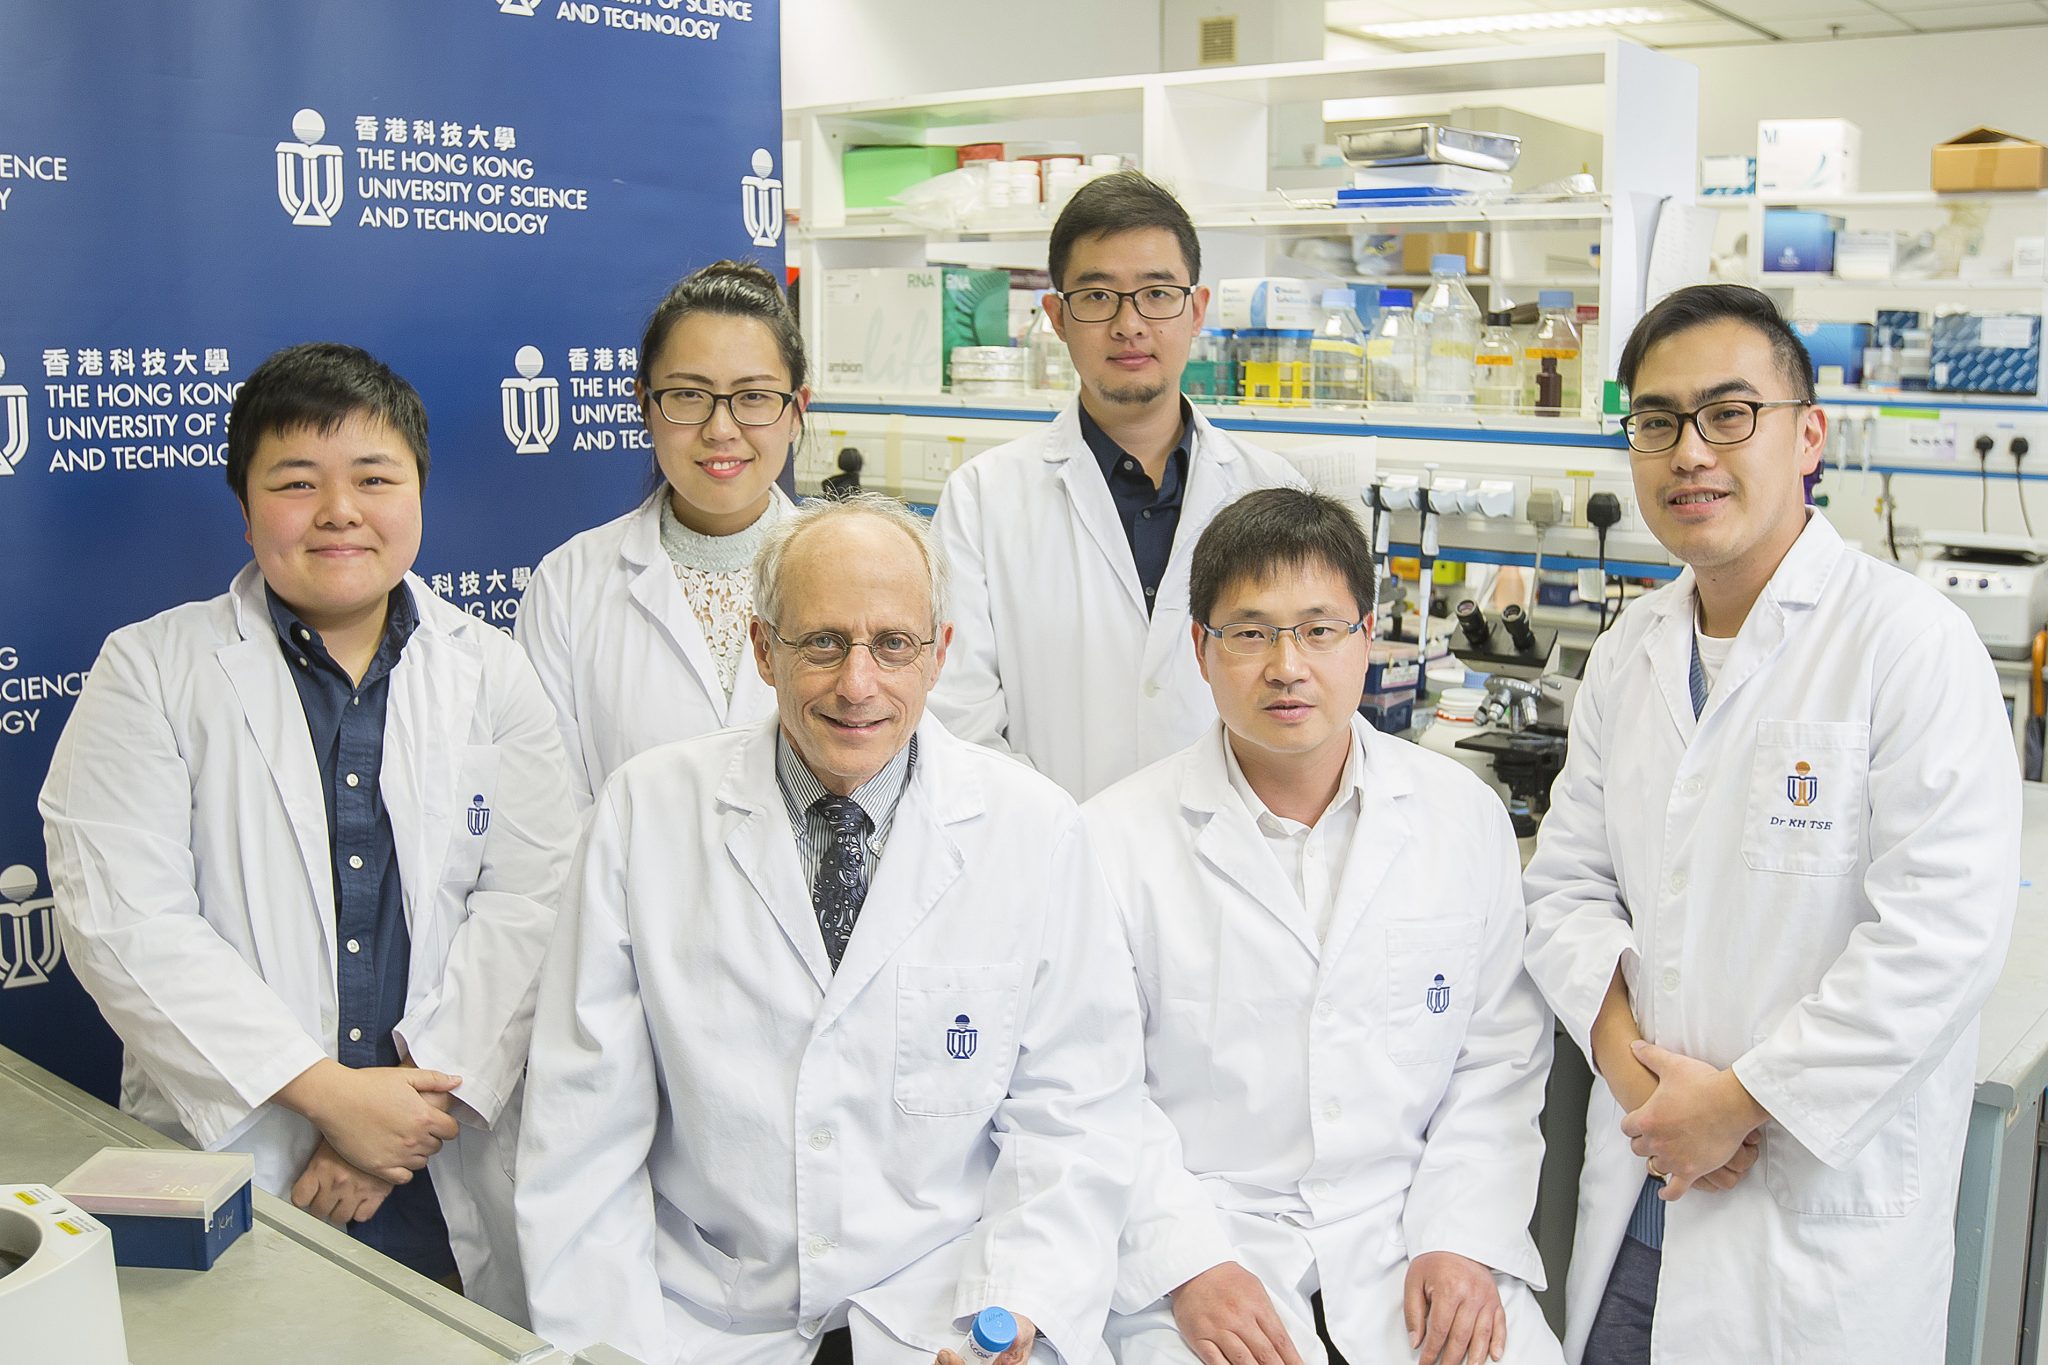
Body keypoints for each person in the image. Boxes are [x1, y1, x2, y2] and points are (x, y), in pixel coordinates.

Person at [516, 493, 1144, 1365]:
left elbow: (1076, 1116)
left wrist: (1018, 1301)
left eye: (893, 645)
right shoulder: (646, 812)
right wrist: (607, 1348)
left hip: (950, 1317)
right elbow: (582, 1133)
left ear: (940, 656)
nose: (858, 684)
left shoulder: (1033, 828)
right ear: (764, 649)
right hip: (710, 1317)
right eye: (822, 642)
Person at [1521, 284, 2020, 1365]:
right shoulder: (1628, 653)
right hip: (1641, 1209)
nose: (1687, 451)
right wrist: (1623, 1062)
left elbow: (1939, 938)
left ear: (1807, 435)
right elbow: (1563, 886)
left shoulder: (1906, 645)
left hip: (1807, 1238)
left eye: (1727, 413)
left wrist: (1743, 1103)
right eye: (1654, 422)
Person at [39, 343, 577, 1320]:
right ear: (245, 507)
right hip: (241, 1151)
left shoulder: (491, 673)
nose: (339, 510)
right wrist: (330, 1100)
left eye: (374, 478)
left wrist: (400, 1120)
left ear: (418, 491)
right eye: (297, 481)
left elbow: (534, 904)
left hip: (438, 1158)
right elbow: (125, 922)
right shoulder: (151, 671)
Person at [1085, 487, 1560, 1365]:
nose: (1287, 665)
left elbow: (1497, 1059)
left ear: (1369, 636)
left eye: (1318, 628)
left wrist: (1462, 1234)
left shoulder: (1463, 818)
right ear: (1200, 648)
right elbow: (1098, 1091)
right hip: (1211, 1234)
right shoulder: (1112, 841)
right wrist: (1189, 1264)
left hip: (1408, 1229)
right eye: (1251, 631)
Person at [930, 171, 1307, 801]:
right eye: (1098, 296)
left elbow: (1302, 698)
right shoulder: (982, 499)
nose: (1130, 324)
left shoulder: (1270, 488)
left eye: (1158, 293)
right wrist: (1057, 842)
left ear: (1197, 310)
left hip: (1232, 861)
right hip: (1051, 861)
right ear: (1055, 316)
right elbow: (958, 720)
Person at [518, 259, 804, 809]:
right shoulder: (568, 584)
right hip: (624, 895)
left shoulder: (856, 577)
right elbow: (549, 813)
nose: (722, 430)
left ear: (796, 412)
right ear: (644, 404)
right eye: (689, 396)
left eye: (754, 397)